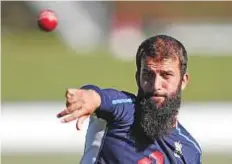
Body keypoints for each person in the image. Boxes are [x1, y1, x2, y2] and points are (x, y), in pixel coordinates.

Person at [57, 35, 202, 164]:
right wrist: (88, 96)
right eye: (148, 75)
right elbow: (100, 97)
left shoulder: (190, 151)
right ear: (137, 78)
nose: (156, 85)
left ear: (183, 81)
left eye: (166, 75)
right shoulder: (124, 112)